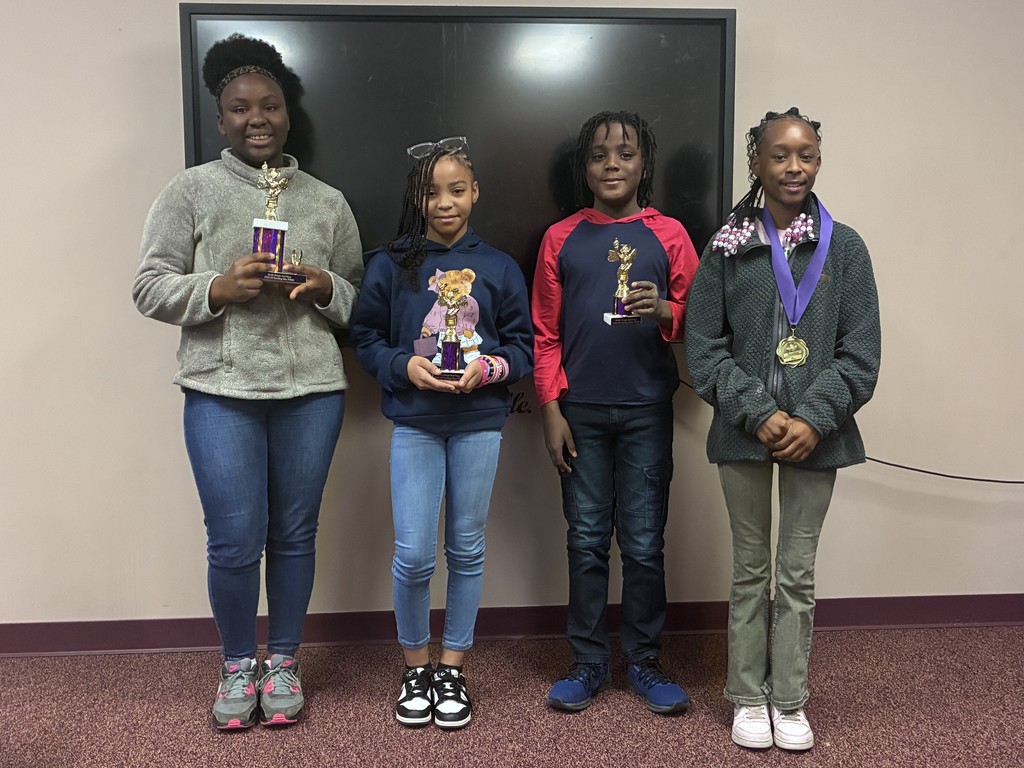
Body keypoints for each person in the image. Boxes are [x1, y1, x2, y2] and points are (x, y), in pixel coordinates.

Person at [132, 34, 363, 730]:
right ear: (220, 116)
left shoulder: (327, 201)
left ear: (289, 112)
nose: (255, 118)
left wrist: (325, 287)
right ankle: (238, 663)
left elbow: (360, 295)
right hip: (220, 391)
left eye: (269, 105)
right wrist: (218, 288)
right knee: (233, 540)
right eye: (239, 108)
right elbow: (148, 287)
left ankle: (283, 659)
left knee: (295, 534)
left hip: (312, 393)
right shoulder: (190, 190)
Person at [684, 108, 881, 751]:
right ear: (757, 163)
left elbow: (861, 354)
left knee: (796, 572)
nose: (794, 166)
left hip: (817, 437)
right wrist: (761, 412)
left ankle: (789, 698)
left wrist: (812, 418)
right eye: (780, 154)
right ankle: (747, 695)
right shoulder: (727, 245)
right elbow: (704, 346)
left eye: (807, 154)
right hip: (746, 431)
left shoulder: (845, 246)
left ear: (819, 161)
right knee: (748, 569)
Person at [351, 138, 533, 730]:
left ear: (475, 192)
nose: (445, 203)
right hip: (416, 423)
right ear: (416, 197)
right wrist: (403, 366)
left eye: (457, 190)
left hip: (479, 422)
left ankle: (452, 665)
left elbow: (523, 345)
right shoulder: (390, 263)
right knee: (412, 554)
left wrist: (493, 368)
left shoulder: (500, 267)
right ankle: (416, 666)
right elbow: (367, 338)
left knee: (467, 548)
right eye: (431, 192)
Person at [533, 111, 699, 714]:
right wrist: (550, 409)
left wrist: (667, 314)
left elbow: (700, 320)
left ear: (643, 165)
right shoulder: (561, 238)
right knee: (585, 542)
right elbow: (544, 333)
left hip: (647, 411)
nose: (612, 164)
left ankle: (647, 663)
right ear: (585, 167)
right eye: (600, 155)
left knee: (645, 544)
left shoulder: (672, 235)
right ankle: (588, 661)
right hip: (579, 414)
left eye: (625, 154)